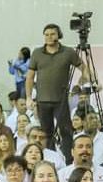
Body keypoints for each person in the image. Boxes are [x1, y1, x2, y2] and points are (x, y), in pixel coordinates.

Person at [26, 23, 88, 162]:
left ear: (58, 35)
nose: (49, 37)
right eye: (46, 34)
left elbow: (84, 67)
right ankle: (49, 160)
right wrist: (29, 97)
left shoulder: (68, 52)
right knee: (46, 134)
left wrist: (84, 78)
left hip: (61, 100)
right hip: (42, 100)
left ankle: (69, 161)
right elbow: (29, 77)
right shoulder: (37, 52)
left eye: (52, 34)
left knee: (66, 131)